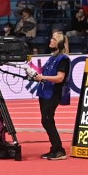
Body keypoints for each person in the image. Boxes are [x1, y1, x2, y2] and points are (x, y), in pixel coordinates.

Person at [31, 30, 70, 160]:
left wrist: (44, 77)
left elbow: (60, 78)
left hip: (53, 93)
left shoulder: (63, 59)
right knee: (46, 120)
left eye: (54, 39)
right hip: (44, 92)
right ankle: (55, 148)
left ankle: (59, 149)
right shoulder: (52, 58)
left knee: (47, 120)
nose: (51, 40)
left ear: (59, 44)